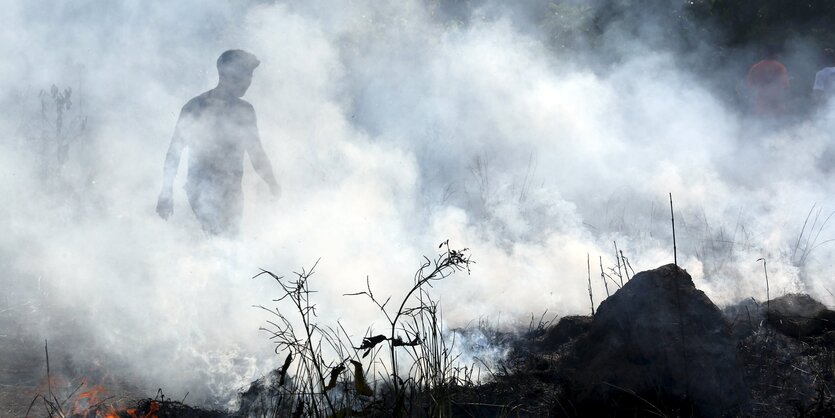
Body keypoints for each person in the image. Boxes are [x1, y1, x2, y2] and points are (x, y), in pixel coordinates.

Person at [156, 49, 280, 236]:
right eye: (244, 74)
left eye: (250, 75)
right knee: (221, 239)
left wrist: (272, 183)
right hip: (201, 189)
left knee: (228, 240)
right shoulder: (195, 108)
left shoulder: (244, 110)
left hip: (232, 190)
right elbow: (175, 151)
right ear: (226, 74)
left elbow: (256, 152)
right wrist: (166, 192)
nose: (248, 81)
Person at [745, 46, 789, 117]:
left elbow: (750, 86)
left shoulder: (756, 67)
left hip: (761, 105)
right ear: (775, 54)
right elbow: (785, 86)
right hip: (776, 105)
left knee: (761, 126)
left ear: (764, 54)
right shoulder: (780, 67)